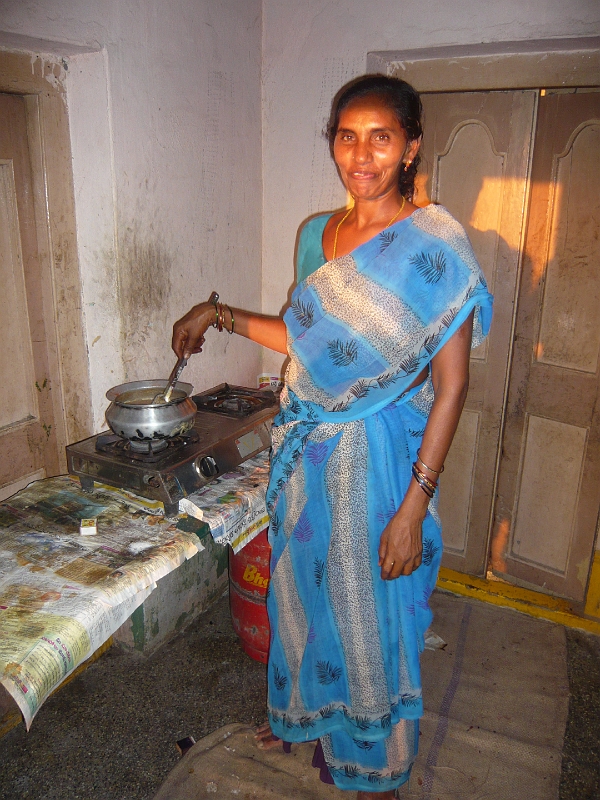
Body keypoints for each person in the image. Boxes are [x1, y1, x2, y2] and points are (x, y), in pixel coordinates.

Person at [172, 74, 493, 799]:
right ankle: (311, 714)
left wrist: (414, 504)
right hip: (310, 451)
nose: (362, 154)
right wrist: (218, 314)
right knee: (309, 593)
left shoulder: (435, 246)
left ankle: (373, 756)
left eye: (382, 136)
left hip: (384, 462)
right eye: (347, 136)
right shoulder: (317, 235)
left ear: (411, 146)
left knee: (371, 610)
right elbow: (304, 340)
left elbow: (452, 387)